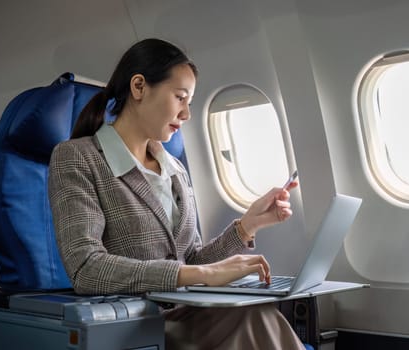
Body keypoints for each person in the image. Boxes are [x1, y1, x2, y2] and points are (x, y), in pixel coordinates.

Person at [48, 38, 304, 349]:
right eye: (180, 97)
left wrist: (247, 226)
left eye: (190, 102)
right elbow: (86, 269)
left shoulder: (174, 169)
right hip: (135, 323)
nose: (186, 115)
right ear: (139, 87)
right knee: (257, 319)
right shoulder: (79, 157)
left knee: (260, 312)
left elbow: (191, 259)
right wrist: (200, 274)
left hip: (188, 315)